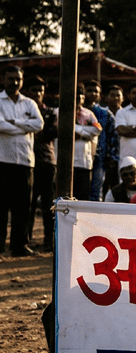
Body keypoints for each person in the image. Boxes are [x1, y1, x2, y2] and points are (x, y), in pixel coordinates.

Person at [0, 66, 44, 256]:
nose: (14, 82)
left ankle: (19, 246)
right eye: (11, 78)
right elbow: (0, 125)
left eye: (18, 79)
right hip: (3, 160)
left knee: (23, 206)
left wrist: (13, 123)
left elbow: (39, 124)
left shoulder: (29, 103)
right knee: (1, 206)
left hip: (25, 162)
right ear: (3, 79)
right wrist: (25, 127)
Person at [25, 77, 56, 247]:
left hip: (46, 160)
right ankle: (25, 240)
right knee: (27, 203)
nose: (37, 93)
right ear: (27, 92)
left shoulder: (50, 112)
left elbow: (51, 132)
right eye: (34, 90)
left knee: (48, 203)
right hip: (26, 161)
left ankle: (49, 240)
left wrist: (24, 128)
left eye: (40, 90)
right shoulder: (23, 110)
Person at [68, 84, 102, 204]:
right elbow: (62, 129)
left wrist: (79, 132)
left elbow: (98, 129)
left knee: (82, 198)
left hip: (84, 163)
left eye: (80, 97)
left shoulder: (89, 114)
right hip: (66, 163)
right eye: (75, 97)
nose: (77, 100)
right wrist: (87, 132)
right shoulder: (60, 112)